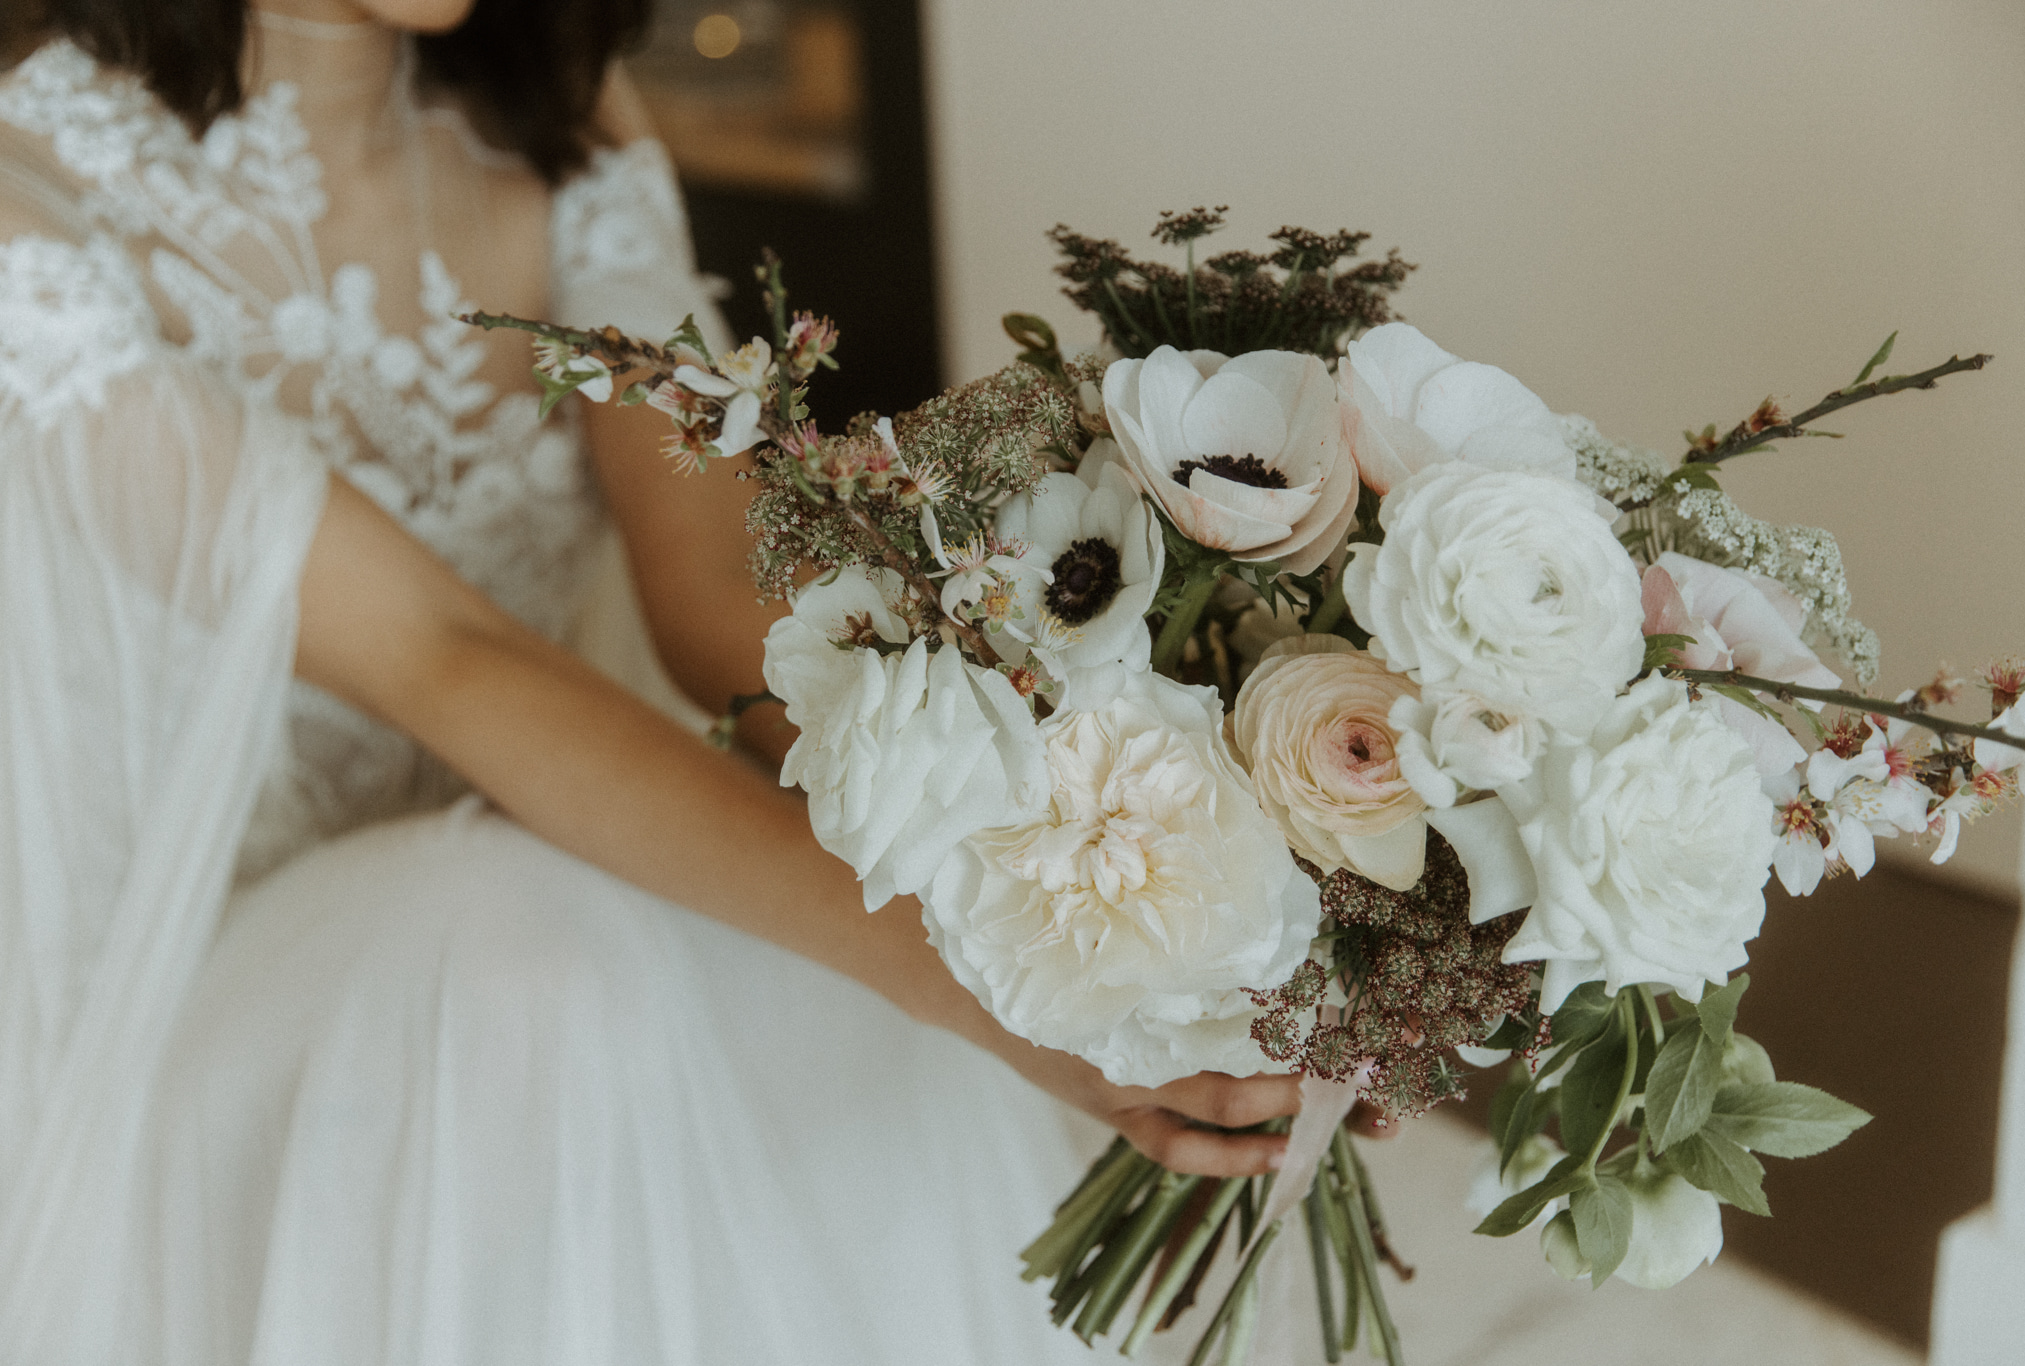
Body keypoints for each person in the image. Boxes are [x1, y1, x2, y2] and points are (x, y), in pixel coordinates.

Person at [0, 1, 1311, 1361]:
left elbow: (714, 601)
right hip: (176, 1013)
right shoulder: (24, 205)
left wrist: (1084, 851)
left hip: (542, 905)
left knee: (768, 943)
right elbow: (446, 658)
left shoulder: (561, 114)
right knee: (521, 949)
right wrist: (991, 992)